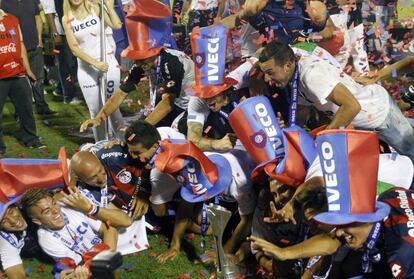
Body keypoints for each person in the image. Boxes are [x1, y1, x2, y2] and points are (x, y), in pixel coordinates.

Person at [121, 120, 257, 263]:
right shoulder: (191, 165)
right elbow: (186, 206)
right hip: (224, 173)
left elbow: (247, 221)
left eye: (137, 153)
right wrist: (175, 246)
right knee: (204, 221)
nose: (134, 157)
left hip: (252, 170)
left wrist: (223, 252)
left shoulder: (241, 184)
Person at [257, 40, 414, 162]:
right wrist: (289, 130)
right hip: (362, 126)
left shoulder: (311, 75)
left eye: (270, 72)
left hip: (379, 114)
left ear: (287, 65)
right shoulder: (294, 75)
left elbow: (352, 106)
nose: (267, 79)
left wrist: (323, 139)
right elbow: (302, 112)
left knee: (411, 155)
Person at [79, 0, 195, 132]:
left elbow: (168, 104)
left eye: (142, 58)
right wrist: (98, 118)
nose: (139, 63)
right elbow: (121, 93)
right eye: (137, 58)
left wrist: (142, 129)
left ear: (155, 51)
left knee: (143, 139)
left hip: (187, 110)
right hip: (169, 105)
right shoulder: (144, 62)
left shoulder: (172, 62)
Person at [62, 0, 125, 141]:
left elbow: (117, 25)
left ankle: (123, 143)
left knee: (112, 107)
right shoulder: (66, 18)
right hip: (86, 69)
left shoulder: (95, 8)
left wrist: (109, 7)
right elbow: (74, 49)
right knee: (95, 112)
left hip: (107, 64)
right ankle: (100, 147)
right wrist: (95, 63)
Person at [185, 25, 254, 151]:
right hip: (208, 136)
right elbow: (192, 139)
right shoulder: (197, 100)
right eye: (204, 94)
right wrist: (216, 144)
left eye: (212, 94)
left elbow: (260, 57)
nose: (207, 99)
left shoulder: (238, 79)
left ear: (224, 91)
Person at [21, 188, 118, 265]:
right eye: (47, 211)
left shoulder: (71, 208)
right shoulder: (46, 240)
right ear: (37, 221)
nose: (55, 211)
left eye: (54, 204)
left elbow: (109, 229)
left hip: (120, 236)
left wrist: (105, 261)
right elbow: (77, 264)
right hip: (103, 254)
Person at [0, 6, 45, 156]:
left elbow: (21, 44)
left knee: (26, 108)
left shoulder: (12, 19)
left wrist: (28, 69)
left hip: (17, 73)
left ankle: (31, 140)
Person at [1, 0, 55, 116]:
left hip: (35, 45)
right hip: (17, 49)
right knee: (19, 82)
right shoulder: (4, 3)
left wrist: (39, 39)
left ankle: (41, 107)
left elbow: (38, 18)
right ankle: (20, 112)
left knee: (38, 78)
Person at [40, 0, 81, 105]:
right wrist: (55, 33)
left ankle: (60, 89)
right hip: (61, 32)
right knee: (66, 64)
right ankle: (68, 96)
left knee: (76, 62)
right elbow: (49, 12)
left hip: (77, 29)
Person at [0, 194, 29, 279]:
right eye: (4, 221)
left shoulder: (29, 206)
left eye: (11, 212)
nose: (12, 221)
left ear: (16, 206)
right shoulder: (4, 241)